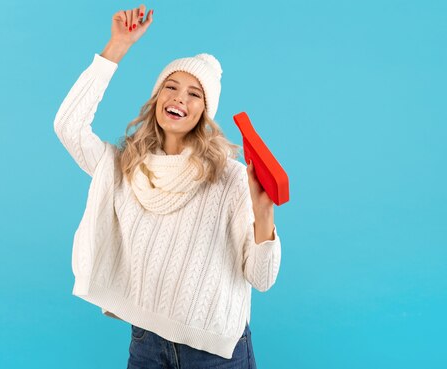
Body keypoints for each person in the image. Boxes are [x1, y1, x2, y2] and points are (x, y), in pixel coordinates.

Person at [53, 5, 282, 368]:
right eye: (170, 87)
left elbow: (262, 278)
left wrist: (263, 211)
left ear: (205, 112)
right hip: (147, 343)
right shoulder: (123, 167)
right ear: (157, 98)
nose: (179, 97)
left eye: (194, 93)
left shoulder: (230, 177)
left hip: (216, 353)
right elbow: (68, 126)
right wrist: (117, 46)